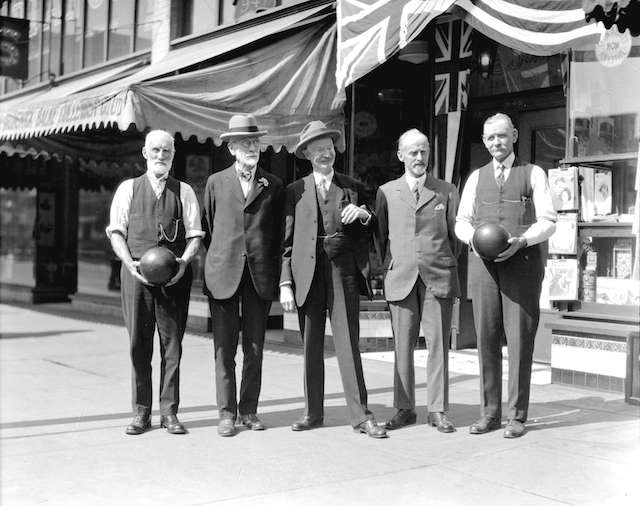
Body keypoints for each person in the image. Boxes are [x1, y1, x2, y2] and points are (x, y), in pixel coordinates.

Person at [279, 120, 387, 439]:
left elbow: (370, 225)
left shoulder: (350, 186)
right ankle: (313, 412)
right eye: (318, 149)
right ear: (308, 155)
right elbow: (285, 244)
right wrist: (286, 282)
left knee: (348, 344)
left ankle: (361, 415)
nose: (326, 154)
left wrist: (363, 215)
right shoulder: (294, 191)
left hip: (343, 273)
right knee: (311, 345)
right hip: (308, 273)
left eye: (329, 148)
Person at [455, 113, 556, 438]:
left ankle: (517, 416)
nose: (496, 143)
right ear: (484, 142)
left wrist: (523, 240)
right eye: (490, 138)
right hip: (483, 267)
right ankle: (489, 414)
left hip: (522, 265)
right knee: (485, 338)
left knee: (520, 340)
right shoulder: (475, 177)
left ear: (513, 134)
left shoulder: (533, 174)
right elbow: (461, 221)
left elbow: (549, 220)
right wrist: (474, 238)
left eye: (502, 136)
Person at [106, 130, 204, 435]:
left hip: (174, 278)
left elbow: (195, 235)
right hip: (135, 277)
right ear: (145, 153)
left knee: (171, 346)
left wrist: (184, 262)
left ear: (173, 156)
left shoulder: (184, 191)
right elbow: (116, 232)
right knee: (139, 344)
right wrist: (128, 262)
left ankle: (169, 413)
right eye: (156, 150)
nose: (161, 155)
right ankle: (141, 412)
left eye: (167, 151)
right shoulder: (128, 189)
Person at [202, 114, 284, 437]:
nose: (252, 147)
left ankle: (248, 410)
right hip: (223, 273)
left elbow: (277, 231)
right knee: (224, 348)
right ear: (232, 148)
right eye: (245, 143)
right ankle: (226, 413)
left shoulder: (273, 184)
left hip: (259, 275)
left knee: (255, 347)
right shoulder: (215, 183)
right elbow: (209, 227)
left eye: (255, 142)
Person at [375, 129, 460, 434]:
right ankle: (404, 407)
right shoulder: (386, 191)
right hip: (402, 277)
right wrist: (394, 265)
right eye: (412, 152)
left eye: (423, 151)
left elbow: (455, 238)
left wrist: (439, 259)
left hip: (438, 275)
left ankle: (437, 409)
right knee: (402, 345)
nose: (419, 158)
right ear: (401, 156)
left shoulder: (447, 191)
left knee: (438, 345)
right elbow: (380, 237)